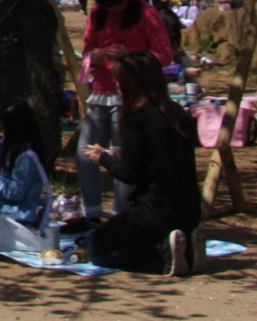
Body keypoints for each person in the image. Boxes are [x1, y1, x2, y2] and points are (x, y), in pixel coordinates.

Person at [83, 50, 205, 275]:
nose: (117, 86)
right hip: (189, 208)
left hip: (155, 211)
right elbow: (163, 156)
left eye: (119, 81)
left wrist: (104, 159)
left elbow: (130, 174)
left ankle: (161, 256)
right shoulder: (178, 112)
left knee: (96, 246)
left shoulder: (137, 118)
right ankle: (186, 246)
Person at [77, 0, 175, 223]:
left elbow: (164, 56)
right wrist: (93, 58)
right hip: (100, 90)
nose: (113, 11)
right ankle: (92, 212)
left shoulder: (147, 14)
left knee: (124, 155)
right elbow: (87, 48)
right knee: (84, 153)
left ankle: (123, 213)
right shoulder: (98, 15)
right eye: (108, 6)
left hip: (132, 95)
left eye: (117, 5)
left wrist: (129, 56)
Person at [0, 100, 50, 229]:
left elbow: (14, 192)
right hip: (1, 212)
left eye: (4, 129)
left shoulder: (27, 157)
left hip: (17, 217)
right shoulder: (13, 148)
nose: (1, 134)